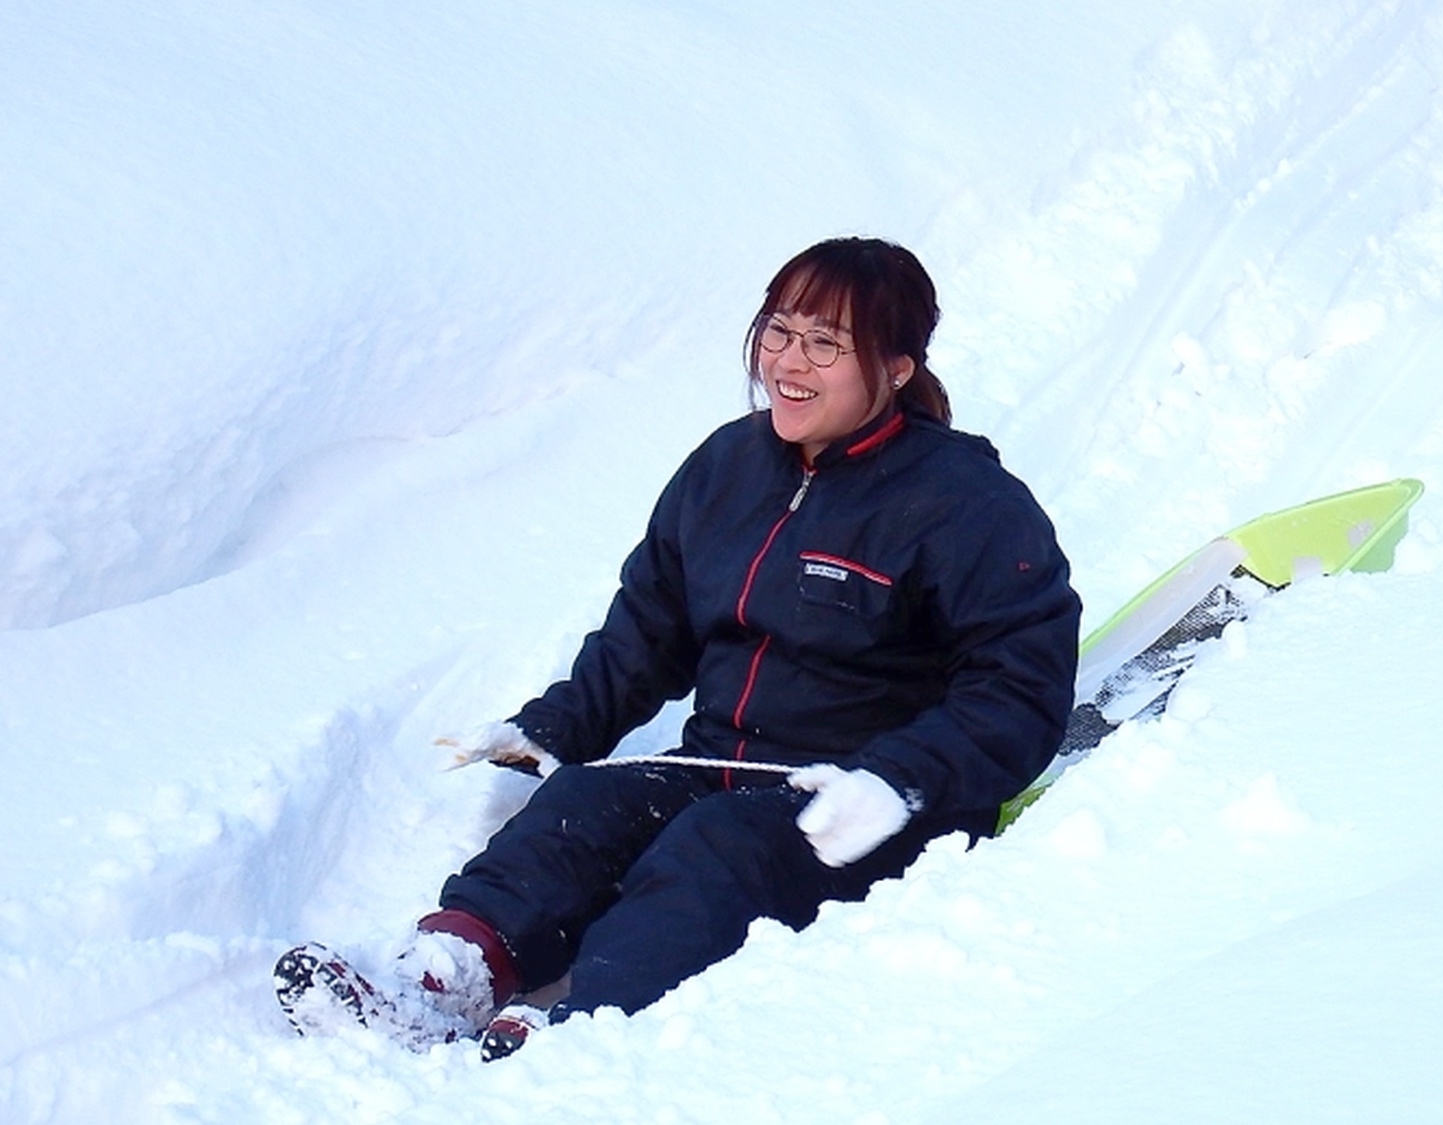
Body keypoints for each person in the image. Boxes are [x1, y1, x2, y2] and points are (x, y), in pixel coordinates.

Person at [274, 237, 1082, 1060]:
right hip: (721, 766)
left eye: (825, 344)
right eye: (778, 331)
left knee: (716, 850)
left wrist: (899, 779)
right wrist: (558, 727)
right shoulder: (729, 465)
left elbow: (1020, 686)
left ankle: (584, 1023)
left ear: (899, 367)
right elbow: (651, 625)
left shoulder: (965, 502)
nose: (787, 363)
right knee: (586, 804)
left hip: (861, 805)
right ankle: (447, 975)